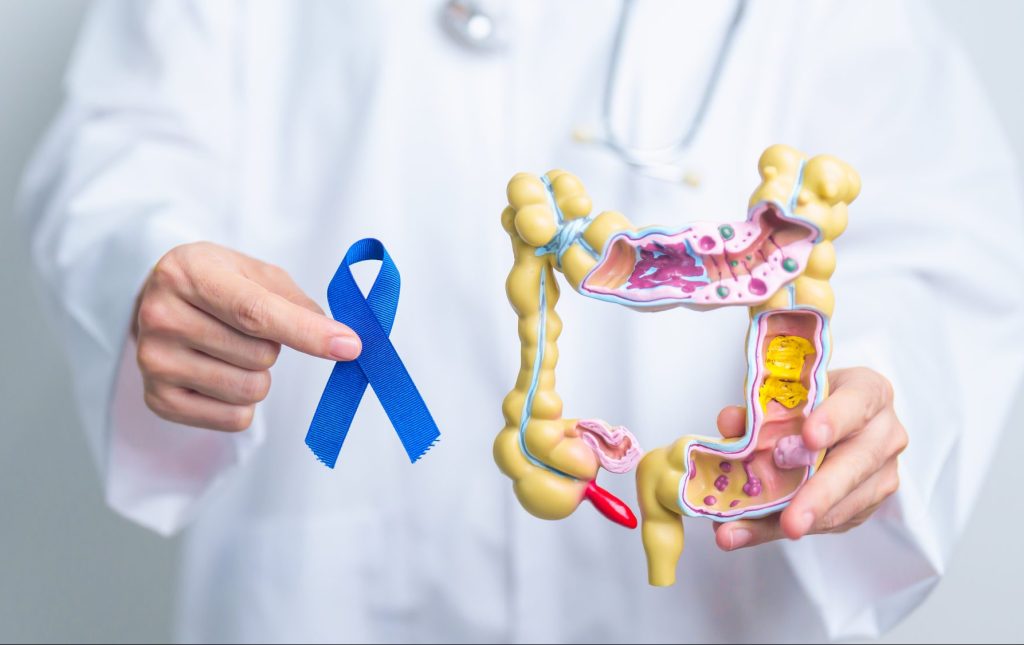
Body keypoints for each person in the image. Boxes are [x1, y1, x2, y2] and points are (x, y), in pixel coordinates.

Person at [18, 0, 1024, 642]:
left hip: (696, 610)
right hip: (325, 585)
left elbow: (936, 235)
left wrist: (886, 389)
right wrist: (148, 266)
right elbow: (122, 150)